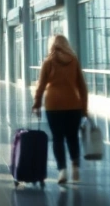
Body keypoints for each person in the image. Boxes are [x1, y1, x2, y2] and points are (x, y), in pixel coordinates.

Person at [32, 34, 88, 185]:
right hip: (73, 105)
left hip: (53, 105)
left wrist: (37, 103)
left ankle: (62, 170)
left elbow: (41, 85)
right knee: (72, 137)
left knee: (57, 138)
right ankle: (75, 166)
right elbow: (82, 86)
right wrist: (85, 107)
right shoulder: (73, 61)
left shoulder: (48, 62)